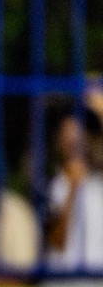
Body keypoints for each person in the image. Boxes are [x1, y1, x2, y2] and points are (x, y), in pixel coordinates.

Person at [45, 109, 103, 272]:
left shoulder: (99, 182)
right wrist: (72, 189)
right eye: (65, 134)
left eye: (78, 134)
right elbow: (56, 241)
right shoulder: (51, 184)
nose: (71, 141)